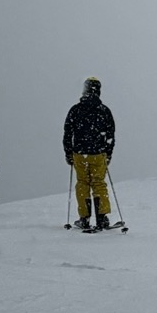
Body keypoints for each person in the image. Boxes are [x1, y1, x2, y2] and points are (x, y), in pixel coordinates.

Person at [63, 77, 116, 230]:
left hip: (80, 153)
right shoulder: (104, 110)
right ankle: (102, 217)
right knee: (99, 183)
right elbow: (110, 135)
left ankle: (84, 218)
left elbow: (67, 133)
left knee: (82, 184)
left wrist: (68, 152)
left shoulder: (75, 110)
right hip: (98, 153)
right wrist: (108, 153)